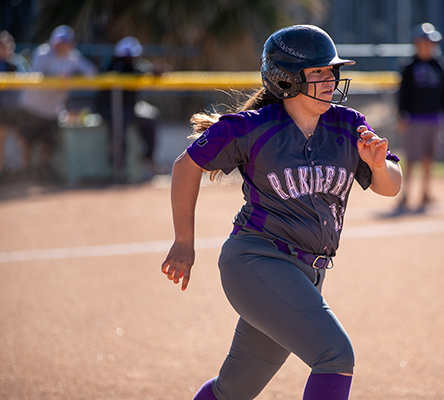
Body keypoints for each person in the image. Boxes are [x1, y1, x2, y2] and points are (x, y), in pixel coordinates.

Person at [161, 25, 402, 400]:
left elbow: (392, 186)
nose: (330, 80)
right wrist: (183, 242)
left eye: (331, 71)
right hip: (256, 261)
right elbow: (185, 166)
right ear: (286, 80)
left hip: (307, 272)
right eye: (318, 72)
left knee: (233, 392)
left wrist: (379, 165)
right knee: (335, 354)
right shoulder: (252, 127)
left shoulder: (348, 124)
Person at [17, 25, 97, 183]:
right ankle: (26, 172)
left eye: (67, 42)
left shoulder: (73, 56)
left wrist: (72, 76)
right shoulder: (43, 53)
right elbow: (37, 76)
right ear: (54, 42)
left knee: (48, 142)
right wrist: (57, 77)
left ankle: (41, 172)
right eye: (61, 42)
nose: (64, 45)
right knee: (28, 141)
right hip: (32, 106)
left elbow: (92, 72)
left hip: (53, 109)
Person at [397, 22, 444, 209]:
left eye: (432, 43)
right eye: (426, 42)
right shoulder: (409, 67)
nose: (430, 46)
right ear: (417, 43)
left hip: (435, 118)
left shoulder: (440, 65)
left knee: (429, 159)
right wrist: (402, 115)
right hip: (415, 119)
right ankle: (405, 194)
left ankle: (425, 192)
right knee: (411, 159)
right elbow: (403, 93)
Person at [96, 36, 159, 182]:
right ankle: (119, 170)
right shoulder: (112, 66)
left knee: (150, 118)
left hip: (131, 108)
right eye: (129, 56)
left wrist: (155, 70)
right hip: (110, 109)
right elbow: (129, 72)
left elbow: (144, 69)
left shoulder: (137, 66)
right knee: (120, 129)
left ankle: (148, 160)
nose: (132, 59)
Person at [0, 30, 30, 179]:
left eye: (6, 46)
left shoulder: (17, 62)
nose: (4, 49)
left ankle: (26, 171)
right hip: (2, 109)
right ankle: (1, 171)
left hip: (17, 108)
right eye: (1, 46)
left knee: (22, 139)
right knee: (1, 140)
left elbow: (28, 79)